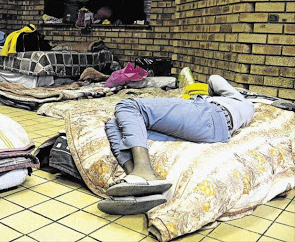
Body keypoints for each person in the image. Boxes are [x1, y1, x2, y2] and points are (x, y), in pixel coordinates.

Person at [98, 75, 255, 215]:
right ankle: (141, 189)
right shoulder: (243, 112)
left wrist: (209, 94)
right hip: (212, 132)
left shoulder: (241, 100)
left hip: (208, 114)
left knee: (128, 105)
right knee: (115, 124)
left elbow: (215, 79)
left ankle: (143, 170)